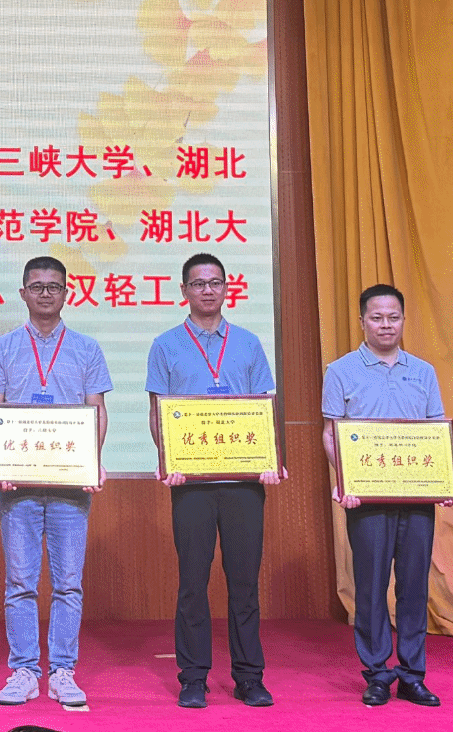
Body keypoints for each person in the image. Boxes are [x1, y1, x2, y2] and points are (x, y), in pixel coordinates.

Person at [146, 253, 285, 709]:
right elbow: (158, 413)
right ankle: (193, 677)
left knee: (244, 583)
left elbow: (264, 408)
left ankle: (249, 676)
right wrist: (168, 460)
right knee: (192, 582)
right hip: (191, 483)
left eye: (215, 282)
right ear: (184, 290)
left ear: (227, 289)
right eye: (198, 283)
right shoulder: (165, 345)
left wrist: (269, 459)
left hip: (244, 483)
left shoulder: (248, 343)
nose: (207, 290)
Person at [0, 256, 112, 708]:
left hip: (70, 487)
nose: (45, 293)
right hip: (16, 486)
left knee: (68, 583)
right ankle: (23, 670)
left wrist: (93, 462)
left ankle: (62, 671)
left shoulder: (87, 349)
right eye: (36, 286)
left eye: (53, 286)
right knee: (20, 582)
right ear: (23, 293)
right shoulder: (2, 348)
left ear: (66, 293)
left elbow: (97, 410)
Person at [320, 284, 449, 708]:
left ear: (403, 321)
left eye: (393, 318)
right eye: (377, 318)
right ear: (362, 321)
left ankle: (412, 674)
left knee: (414, 587)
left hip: (417, 498)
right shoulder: (340, 371)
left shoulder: (423, 371)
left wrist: (446, 480)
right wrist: (345, 480)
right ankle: (377, 673)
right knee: (371, 587)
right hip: (367, 499)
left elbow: (436, 431)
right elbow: (331, 433)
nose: (386, 325)